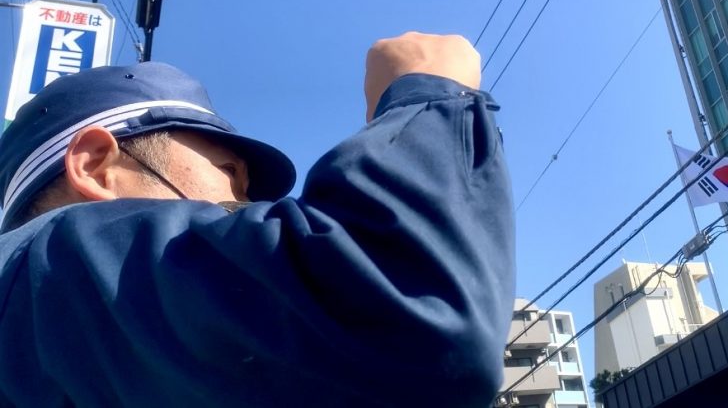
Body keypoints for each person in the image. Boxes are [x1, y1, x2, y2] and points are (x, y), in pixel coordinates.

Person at [0, 32, 515, 407]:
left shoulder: (60, 331)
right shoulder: (52, 262)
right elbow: (414, 312)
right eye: (229, 174)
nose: (243, 207)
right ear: (96, 165)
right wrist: (429, 95)